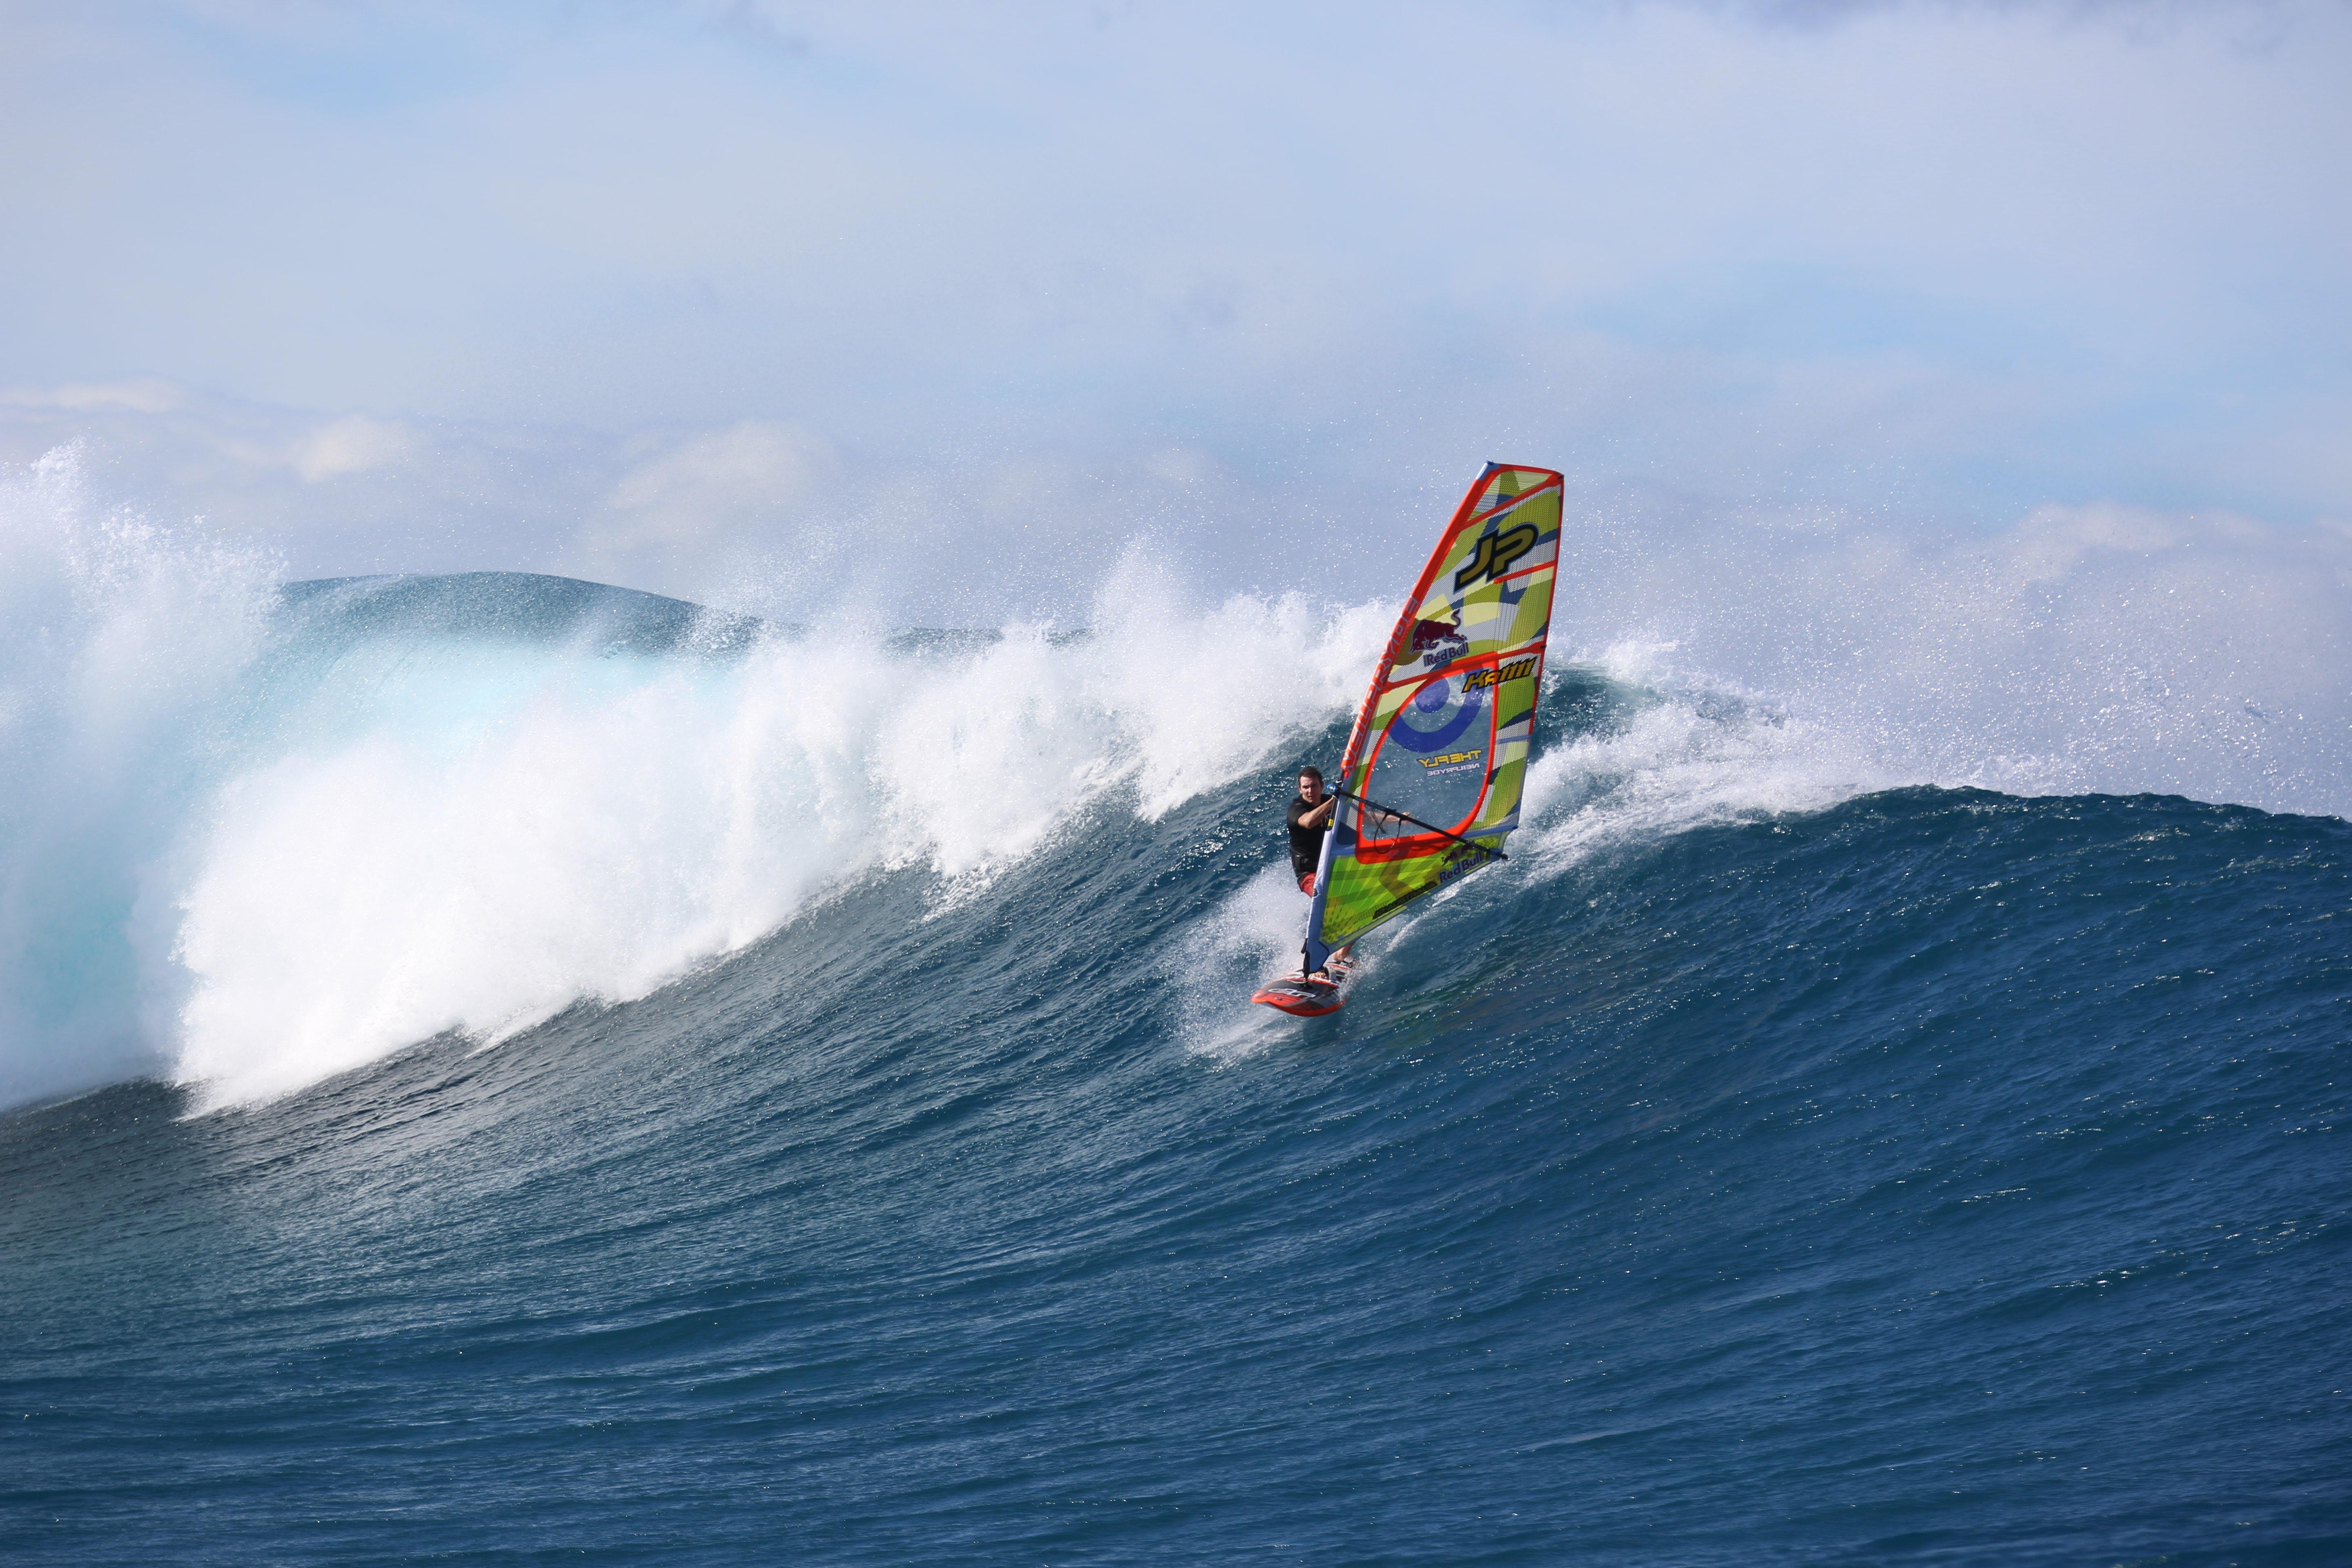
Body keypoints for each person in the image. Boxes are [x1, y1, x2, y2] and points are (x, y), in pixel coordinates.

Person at [1288, 766, 1336, 893]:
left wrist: (1394, 820)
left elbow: (1366, 817)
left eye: (1314, 786)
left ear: (1322, 785)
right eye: (1306, 787)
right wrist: (1334, 801)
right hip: (1309, 873)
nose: (1310, 791)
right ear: (1300, 789)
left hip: (1332, 863)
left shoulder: (1330, 801)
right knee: (1321, 892)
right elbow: (1308, 822)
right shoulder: (1296, 809)